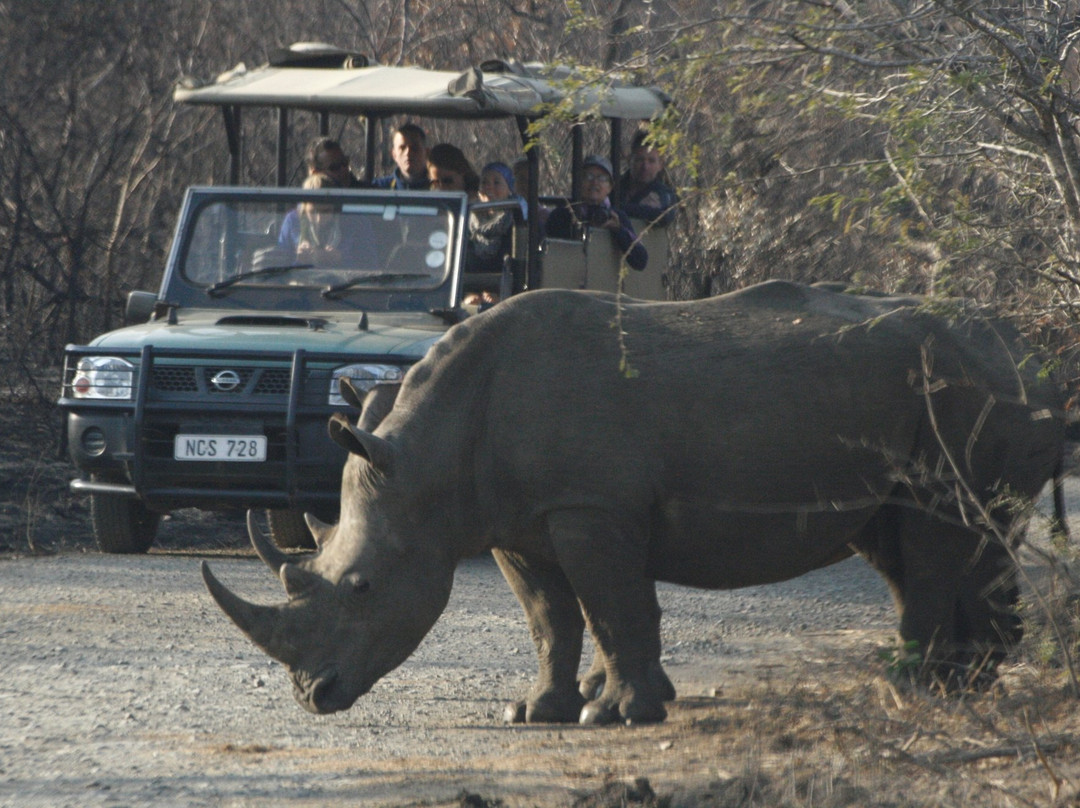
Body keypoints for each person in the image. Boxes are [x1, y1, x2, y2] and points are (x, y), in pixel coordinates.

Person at [545, 155, 647, 271]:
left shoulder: (616, 217)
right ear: (579, 182)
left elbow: (641, 261)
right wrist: (582, 227)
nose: (594, 182)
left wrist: (619, 230)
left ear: (610, 187)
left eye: (602, 178)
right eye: (588, 176)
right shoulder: (562, 214)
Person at [278, 137, 362, 251]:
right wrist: (298, 256)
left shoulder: (356, 218)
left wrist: (339, 257)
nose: (344, 170)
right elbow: (281, 256)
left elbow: (369, 258)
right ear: (315, 173)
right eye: (334, 167)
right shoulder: (293, 220)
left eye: (345, 163)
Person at [616, 130, 679, 226]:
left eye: (651, 161)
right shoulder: (614, 186)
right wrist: (641, 208)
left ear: (661, 164)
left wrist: (620, 209)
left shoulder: (664, 194)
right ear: (629, 160)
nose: (645, 167)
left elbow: (664, 215)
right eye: (640, 160)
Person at [468, 161, 517, 275]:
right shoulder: (466, 221)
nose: (489, 187)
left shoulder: (517, 221)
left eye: (496, 183)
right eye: (484, 182)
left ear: (509, 188)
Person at [372, 123, 430, 190]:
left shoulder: (438, 187)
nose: (408, 153)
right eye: (402, 148)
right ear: (394, 155)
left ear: (427, 153)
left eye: (414, 148)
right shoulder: (379, 188)